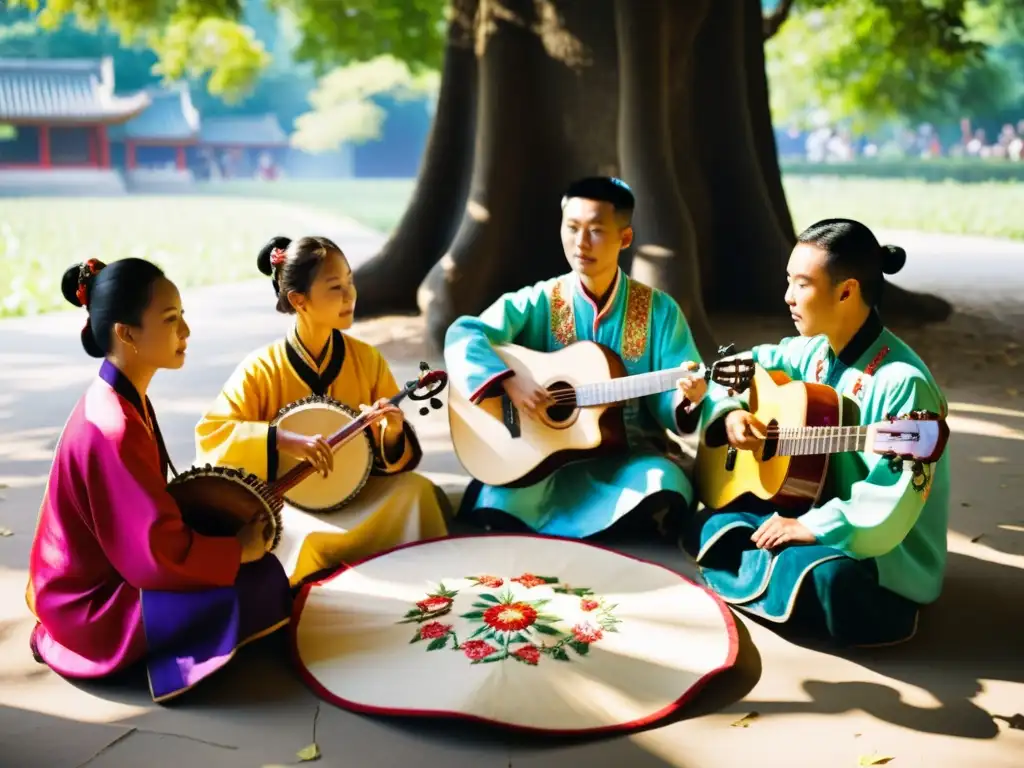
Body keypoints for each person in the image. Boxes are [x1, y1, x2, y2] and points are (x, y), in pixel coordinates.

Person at [26, 258, 292, 703]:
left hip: (100, 576)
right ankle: (165, 668)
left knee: (257, 575)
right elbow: (153, 556)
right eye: (171, 319)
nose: (185, 331)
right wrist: (234, 550)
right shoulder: (115, 426)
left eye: (182, 315)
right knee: (257, 580)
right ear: (126, 333)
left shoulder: (122, 400)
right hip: (93, 605)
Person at [686, 218, 951, 647]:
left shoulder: (903, 382)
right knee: (709, 521)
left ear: (846, 291)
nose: (788, 297)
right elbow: (746, 368)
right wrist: (733, 412)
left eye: (802, 285)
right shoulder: (812, 350)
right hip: (810, 504)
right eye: (788, 281)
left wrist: (814, 527)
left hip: (881, 549)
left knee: (834, 582)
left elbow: (894, 497)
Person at [443, 176, 708, 539]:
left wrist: (686, 399)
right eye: (572, 228)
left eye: (596, 230)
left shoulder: (659, 311)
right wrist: (508, 378)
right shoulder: (540, 299)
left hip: (628, 457)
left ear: (625, 238)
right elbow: (465, 333)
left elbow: (676, 388)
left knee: (665, 484)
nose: (581, 243)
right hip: (545, 459)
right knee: (496, 500)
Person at [194, 236, 449, 586]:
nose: (350, 296)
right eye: (335, 287)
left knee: (416, 493)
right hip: (292, 503)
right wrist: (281, 439)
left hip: (358, 494)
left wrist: (390, 431)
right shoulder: (261, 368)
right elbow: (213, 434)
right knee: (295, 537)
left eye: (350, 281)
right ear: (299, 300)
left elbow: (390, 451)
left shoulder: (367, 359)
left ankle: (423, 589)